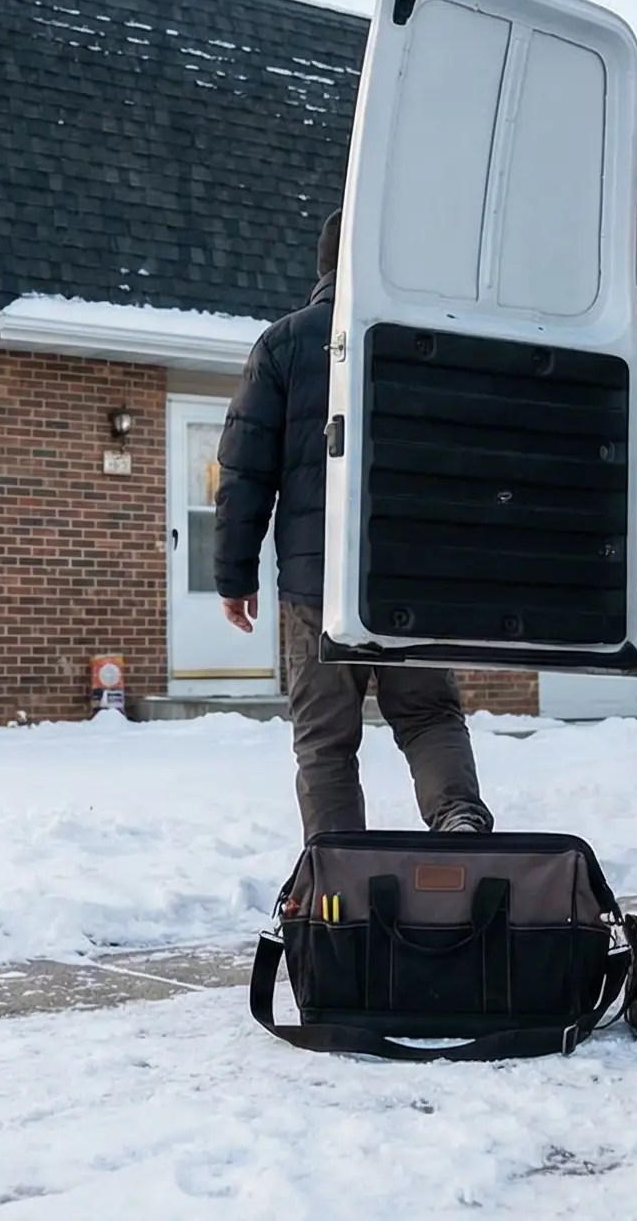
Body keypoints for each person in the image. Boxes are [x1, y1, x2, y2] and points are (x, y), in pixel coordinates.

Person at [213, 210, 492, 840]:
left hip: (319, 585)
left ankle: (338, 868)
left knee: (324, 740)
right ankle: (459, 821)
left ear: (323, 265)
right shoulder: (430, 341)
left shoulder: (284, 344)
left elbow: (243, 472)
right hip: (413, 576)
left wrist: (234, 576)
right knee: (428, 717)